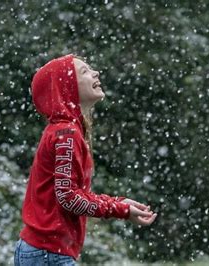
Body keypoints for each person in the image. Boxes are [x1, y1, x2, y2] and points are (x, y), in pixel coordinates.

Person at [14, 54, 157, 266]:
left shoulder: (65, 131)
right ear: (67, 88)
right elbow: (69, 198)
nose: (95, 73)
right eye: (84, 71)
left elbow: (68, 193)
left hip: (44, 252)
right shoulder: (66, 134)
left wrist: (118, 204)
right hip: (48, 254)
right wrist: (119, 209)